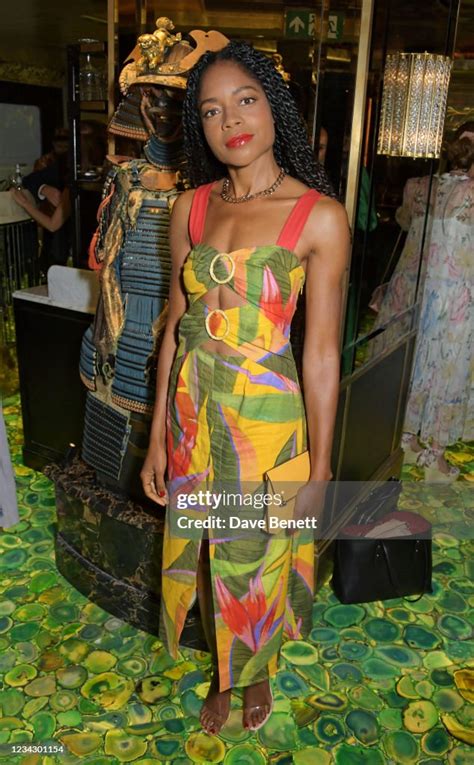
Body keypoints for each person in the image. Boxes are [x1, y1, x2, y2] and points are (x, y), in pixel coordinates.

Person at [140, 41, 350, 734]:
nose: (229, 120)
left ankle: (248, 671)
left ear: (273, 107)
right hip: (193, 414)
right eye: (210, 110)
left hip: (264, 421)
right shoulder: (190, 210)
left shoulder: (318, 216)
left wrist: (320, 465)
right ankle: (224, 664)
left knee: (253, 557)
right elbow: (174, 326)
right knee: (204, 546)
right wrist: (154, 439)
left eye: (245, 101)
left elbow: (320, 355)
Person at [401, 122, 473, 480]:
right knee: (450, 372)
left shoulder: (425, 187)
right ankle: (435, 453)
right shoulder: (471, 192)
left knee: (423, 363)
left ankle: (409, 436)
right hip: (460, 298)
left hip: (427, 293)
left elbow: (409, 230)